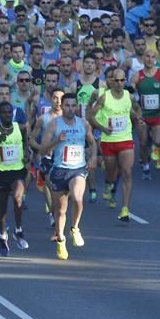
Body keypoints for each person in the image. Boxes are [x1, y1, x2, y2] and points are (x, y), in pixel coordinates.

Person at [39, 94, 97, 260]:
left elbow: (92, 143)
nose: (70, 109)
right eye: (67, 105)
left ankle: (75, 228)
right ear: (62, 107)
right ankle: (61, 240)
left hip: (77, 169)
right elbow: (43, 150)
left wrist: (93, 157)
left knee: (78, 198)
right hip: (59, 171)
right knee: (60, 210)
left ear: (77, 107)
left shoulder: (83, 124)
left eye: (73, 105)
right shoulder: (53, 124)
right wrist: (57, 141)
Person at [89, 67, 142, 221]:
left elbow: (137, 110)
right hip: (109, 140)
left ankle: (125, 208)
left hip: (125, 139)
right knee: (111, 171)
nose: (119, 83)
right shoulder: (104, 97)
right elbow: (91, 116)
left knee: (127, 172)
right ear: (111, 81)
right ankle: (108, 184)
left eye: (122, 80)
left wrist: (138, 119)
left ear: (125, 81)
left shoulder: (128, 96)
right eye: (116, 80)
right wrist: (102, 128)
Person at [0, 102, 30, 256]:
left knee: (17, 197)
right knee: (2, 210)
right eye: (4, 112)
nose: (7, 115)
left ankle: (18, 229)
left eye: (9, 112)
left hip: (17, 171)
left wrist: (27, 154)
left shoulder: (19, 128)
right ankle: (3, 237)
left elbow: (25, 143)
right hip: (1, 172)